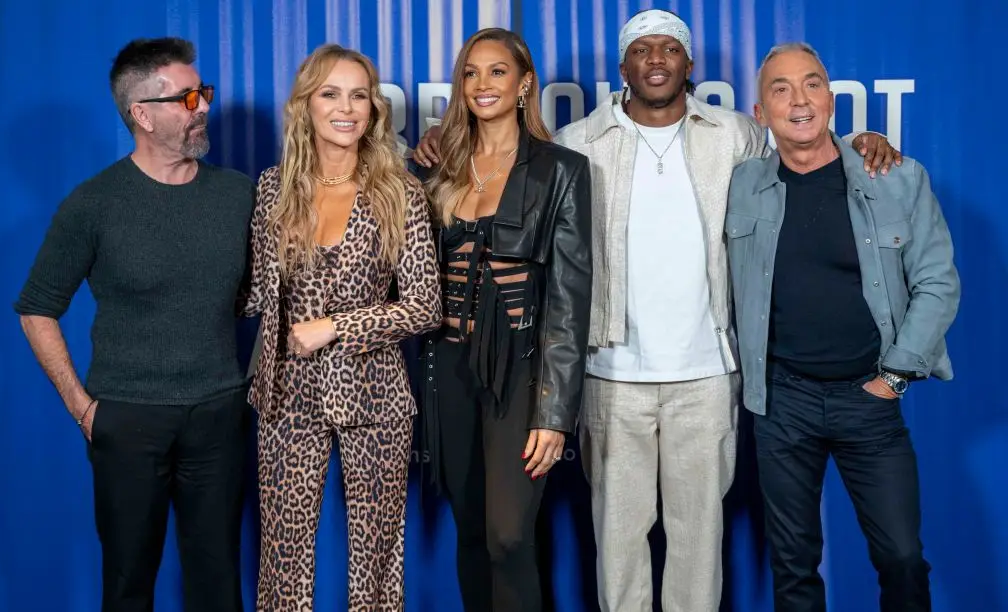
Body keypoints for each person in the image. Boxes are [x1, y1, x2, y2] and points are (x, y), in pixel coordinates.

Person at [412, 11, 903, 612]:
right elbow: (500, 167)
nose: (656, 59)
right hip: (610, 372)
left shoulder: (732, 135)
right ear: (624, 66)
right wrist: (440, 140)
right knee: (618, 549)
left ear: (688, 64)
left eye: (669, 49)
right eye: (641, 50)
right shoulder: (577, 145)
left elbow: (803, 143)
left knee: (698, 545)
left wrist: (860, 141)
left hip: (707, 374)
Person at [14, 38, 251, 612]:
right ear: (141, 114)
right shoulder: (92, 205)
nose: (203, 107)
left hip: (220, 416)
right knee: (127, 584)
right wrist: (83, 408)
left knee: (219, 584)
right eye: (187, 97)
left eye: (205, 93)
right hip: (128, 420)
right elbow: (36, 306)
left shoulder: (238, 195)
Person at [727, 42, 959, 612]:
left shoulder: (896, 179)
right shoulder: (739, 186)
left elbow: (938, 282)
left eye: (811, 85)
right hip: (782, 401)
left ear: (831, 101)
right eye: (780, 89)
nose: (798, 100)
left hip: (869, 398)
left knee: (902, 557)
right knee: (793, 564)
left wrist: (896, 376)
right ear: (761, 114)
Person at [241, 44, 441, 611]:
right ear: (305, 105)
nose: (346, 108)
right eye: (330, 93)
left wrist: (336, 326)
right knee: (283, 554)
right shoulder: (272, 189)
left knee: (377, 554)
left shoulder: (399, 193)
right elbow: (257, 291)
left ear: (374, 109)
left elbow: (424, 305)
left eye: (359, 95)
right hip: (287, 393)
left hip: (375, 393)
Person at [409, 27, 592, 612]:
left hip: (521, 372)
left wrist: (556, 413)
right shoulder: (439, 170)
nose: (482, 84)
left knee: (508, 534)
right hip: (449, 366)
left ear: (524, 84)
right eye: (470, 73)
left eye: (496, 72)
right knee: (470, 532)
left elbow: (569, 297)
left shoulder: (562, 169)